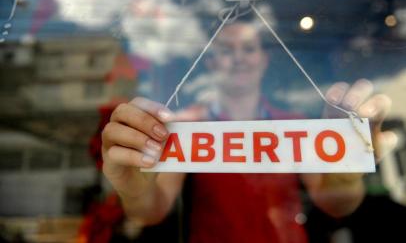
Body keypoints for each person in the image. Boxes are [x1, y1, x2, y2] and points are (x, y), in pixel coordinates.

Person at [101, 12, 398, 242]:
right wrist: (135, 191)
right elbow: (154, 209)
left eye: (249, 48)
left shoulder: (294, 124)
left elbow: (335, 204)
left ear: (263, 59)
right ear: (212, 63)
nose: (239, 57)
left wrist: (344, 179)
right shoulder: (182, 127)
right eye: (227, 50)